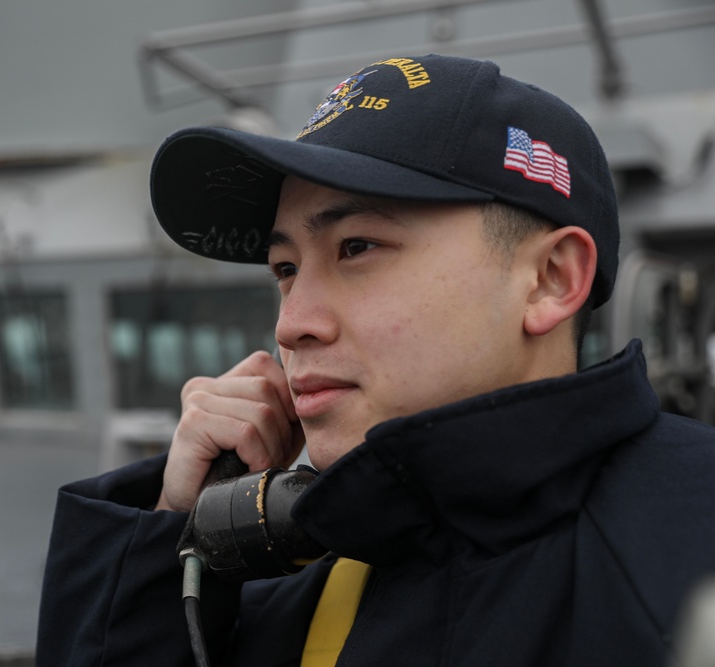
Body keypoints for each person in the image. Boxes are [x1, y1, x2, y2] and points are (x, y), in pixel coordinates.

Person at [35, 54, 715, 666]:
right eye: (285, 268)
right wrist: (167, 529)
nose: (291, 324)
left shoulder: (690, 561)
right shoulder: (294, 565)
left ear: (550, 280)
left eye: (357, 247)